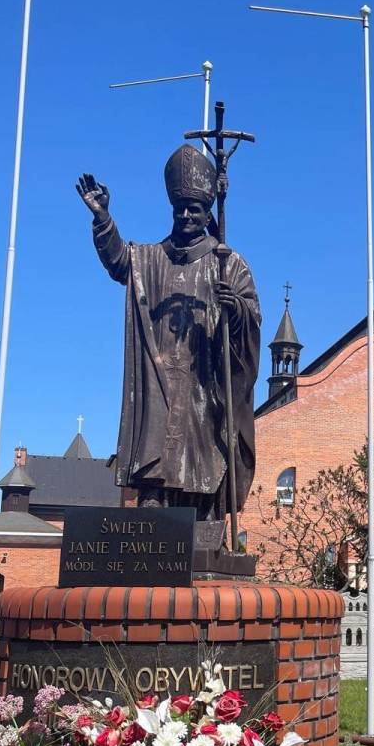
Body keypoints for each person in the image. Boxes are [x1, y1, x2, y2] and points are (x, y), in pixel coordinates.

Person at [76, 144, 260, 522]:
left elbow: (251, 319)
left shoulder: (229, 264)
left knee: (202, 452)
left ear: (207, 213)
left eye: (194, 209)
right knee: (156, 440)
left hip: (203, 380)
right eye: (180, 209)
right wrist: (103, 218)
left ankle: (203, 519)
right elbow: (119, 261)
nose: (187, 215)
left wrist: (236, 311)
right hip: (158, 375)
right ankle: (153, 507)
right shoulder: (150, 258)